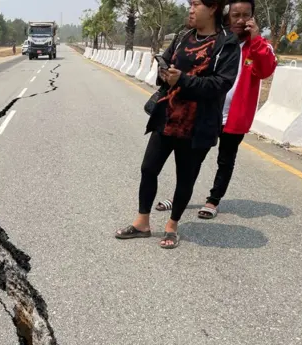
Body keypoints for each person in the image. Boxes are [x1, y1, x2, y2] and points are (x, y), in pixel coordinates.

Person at [115, 0, 240, 249]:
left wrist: (183, 79)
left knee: (185, 177)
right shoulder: (184, 35)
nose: (191, 10)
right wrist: (163, 69)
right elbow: (168, 58)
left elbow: (221, 84)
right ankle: (142, 222)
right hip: (168, 116)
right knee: (148, 169)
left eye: (196, 5)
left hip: (197, 124)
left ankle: (172, 225)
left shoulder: (227, 42)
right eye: (190, 5)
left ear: (213, 8)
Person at [155, 0, 277, 219]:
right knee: (192, 158)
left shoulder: (258, 45)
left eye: (246, 15)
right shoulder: (219, 40)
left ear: (252, 17)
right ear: (227, 15)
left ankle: (213, 200)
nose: (240, 20)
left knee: (226, 159)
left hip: (235, 116)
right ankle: (178, 196)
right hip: (206, 111)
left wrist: (256, 39)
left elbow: (267, 69)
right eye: (236, 14)